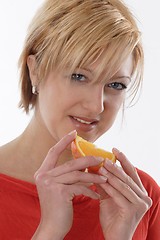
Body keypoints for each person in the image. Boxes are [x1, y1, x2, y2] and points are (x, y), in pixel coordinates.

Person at [0, 0, 159, 239]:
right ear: (35, 71)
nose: (97, 105)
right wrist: (49, 231)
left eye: (115, 85)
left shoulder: (140, 198)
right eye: (79, 76)